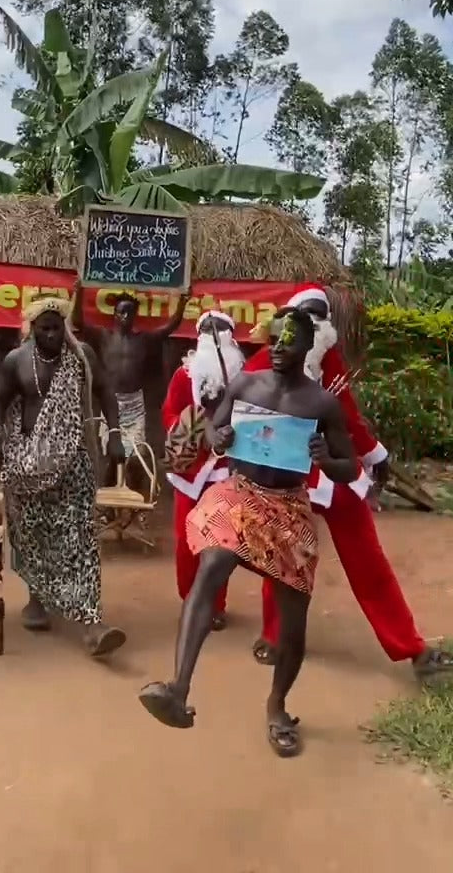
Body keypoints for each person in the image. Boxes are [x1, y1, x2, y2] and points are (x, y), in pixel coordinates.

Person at [139, 307, 357, 757]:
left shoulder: (321, 405)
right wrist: (218, 438)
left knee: (293, 622)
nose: (278, 348)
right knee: (212, 565)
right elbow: (215, 426)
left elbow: (349, 468)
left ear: (307, 346)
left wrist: (325, 458)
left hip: (289, 505)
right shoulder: (246, 385)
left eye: (289, 341)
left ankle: (277, 706)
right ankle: (178, 688)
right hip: (240, 493)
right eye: (274, 339)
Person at [246, 284, 453, 679]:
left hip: (335, 472)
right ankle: (275, 636)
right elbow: (242, 417)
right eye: (304, 314)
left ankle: (411, 647)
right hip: (285, 476)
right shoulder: (261, 363)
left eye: (319, 315)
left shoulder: (331, 361)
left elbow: (348, 417)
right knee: (282, 558)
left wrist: (376, 454)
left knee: (368, 560)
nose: (312, 323)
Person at [0, 296, 127, 658]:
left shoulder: (81, 357)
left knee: (80, 537)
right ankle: (38, 598)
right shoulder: (16, 361)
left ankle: (92, 622)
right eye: (44, 329)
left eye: (57, 328)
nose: (52, 335)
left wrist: (114, 434)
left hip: (74, 459)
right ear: (32, 329)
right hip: (28, 462)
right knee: (32, 534)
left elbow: (105, 391)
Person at [161, 310, 245, 630]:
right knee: (186, 542)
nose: (214, 337)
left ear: (231, 338)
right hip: (190, 473)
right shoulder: (184, 376)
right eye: (208, 332)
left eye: (220, 331)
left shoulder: (243, 378)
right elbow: (170, 414)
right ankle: (191, 600)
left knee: (220, 541)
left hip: (226, 469)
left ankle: (215, 604)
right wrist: (195, 428)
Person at [72, 285, 188, 485]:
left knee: (137, 455)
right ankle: (107, 496)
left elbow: (169, 327)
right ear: (114, 314)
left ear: (135, 315)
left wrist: (182, 303)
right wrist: (79, 291)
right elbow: (77, 322)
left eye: (129, 312)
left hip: (134, 404)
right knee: (111, 454)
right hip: (111, 403)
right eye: (121, 312)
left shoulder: (143, 339)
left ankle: (132, 494)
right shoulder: (103, 336)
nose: (125, 316)